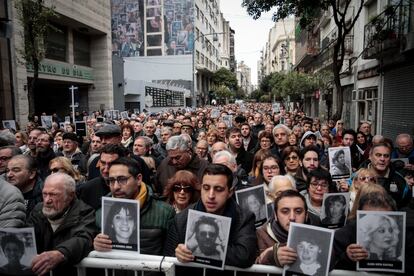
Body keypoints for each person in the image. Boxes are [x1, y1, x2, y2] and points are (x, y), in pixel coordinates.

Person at [164, 164, 257, 274]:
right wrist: (178, 254)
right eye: (206, 188)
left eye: (218, 189)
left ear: (230, 192)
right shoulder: (181, 219)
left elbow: (244, 255)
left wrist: (197, 249)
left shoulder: (244, 217)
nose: (211, 195)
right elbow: (168, 258)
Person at [93, 157, 175, 256]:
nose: (115, 187)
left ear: (139, 179)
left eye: (122, 180)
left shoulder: (164, 212)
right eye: (111, 181)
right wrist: (94, 245)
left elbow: (171, 254)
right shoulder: (100, 213)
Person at [27, 173, 96, 276]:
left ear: (70, 196)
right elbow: (27, 237)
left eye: (53, 194)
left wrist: (60, 253)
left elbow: (82, 238)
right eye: (45, 194)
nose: (47, 200)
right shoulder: (38, 210)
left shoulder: (85, 213)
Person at [256, 190, 308, 265]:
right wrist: (271, 257)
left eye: (298, 211)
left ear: (306, 215)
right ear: (276, 216)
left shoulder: (319, 233)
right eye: (285, 211)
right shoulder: (261, 235)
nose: (292, 217)